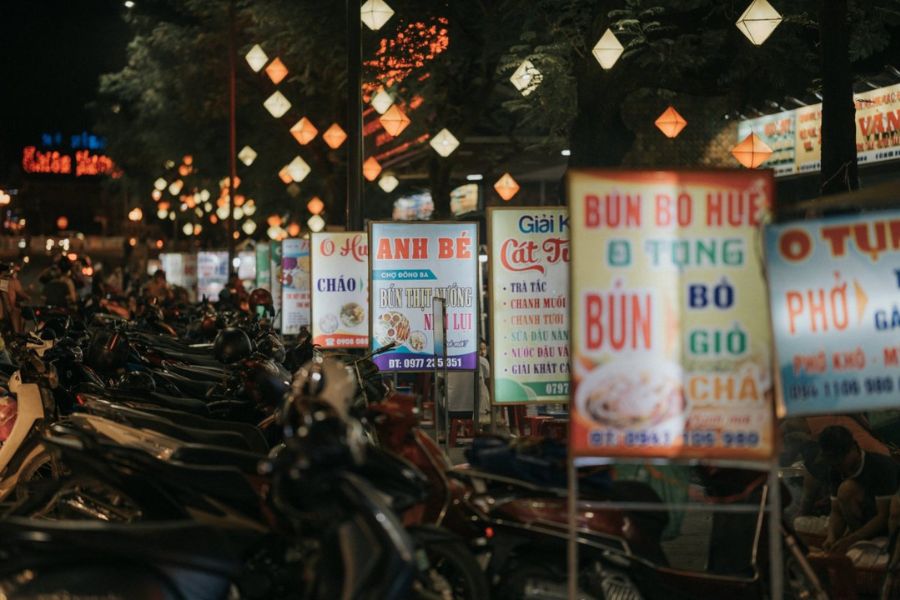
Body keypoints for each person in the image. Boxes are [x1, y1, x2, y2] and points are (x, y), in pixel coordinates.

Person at [819, 425, 898, 554]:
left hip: (889, 527)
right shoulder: (835, 469)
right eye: (832, 461)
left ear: (853, 448)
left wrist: (852, 539)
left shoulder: (881, 466)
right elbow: (836, 511)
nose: (836, 465)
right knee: (845, 490)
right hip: (863, 527)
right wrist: (831, 537)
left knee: (846, 489)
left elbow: (884, 516)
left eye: (840, 459)